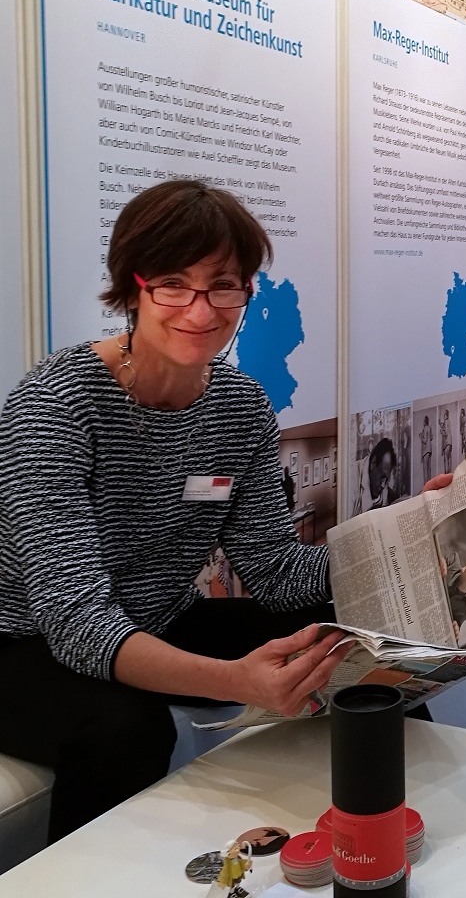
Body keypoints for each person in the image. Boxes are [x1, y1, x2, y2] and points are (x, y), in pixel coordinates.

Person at [0, 181, 358, 843]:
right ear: (131, 287)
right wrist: (238, 681)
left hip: (157, 616)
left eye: (223, 284)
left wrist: (407, 535)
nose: (201, 309)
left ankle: (372, 825)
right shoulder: (56, 406)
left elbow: (276, 571)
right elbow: (75, 622)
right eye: (172, 282)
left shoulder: (240, 407)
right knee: (125, 728)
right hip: (23, 643)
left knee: (340, 638)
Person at [419, 414, 433, 482]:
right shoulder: (429, 428)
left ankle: (426, 484)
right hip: (430, 449)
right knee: (429, 468)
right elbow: (431, 438)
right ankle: (430, 482)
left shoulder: (425, 428)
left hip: (425, 450)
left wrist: (420, 436)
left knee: (425, 468)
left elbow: (424, 440)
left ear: (425, 421)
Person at [440, 409, 453, 474]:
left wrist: (441, 432)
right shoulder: (448, 421)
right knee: (449, 457)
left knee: (446, 457)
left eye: (444, 415)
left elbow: (446, 433)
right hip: (450, 442)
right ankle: (449, 472)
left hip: (447, 442)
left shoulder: (446, 421)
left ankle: (447, 473)